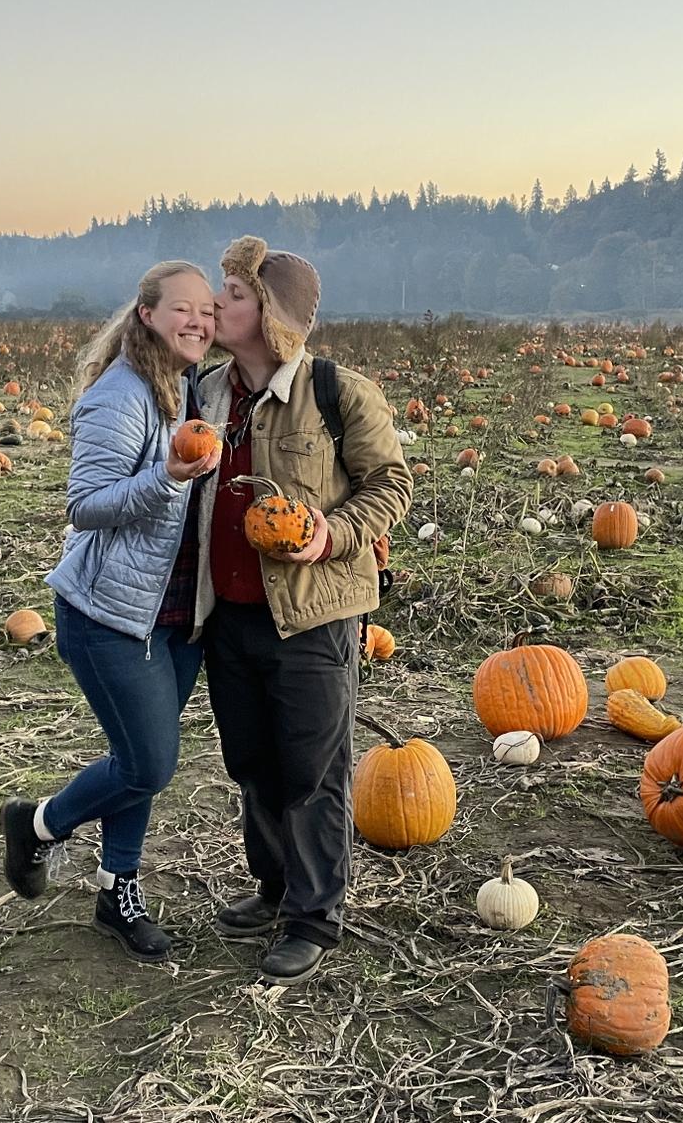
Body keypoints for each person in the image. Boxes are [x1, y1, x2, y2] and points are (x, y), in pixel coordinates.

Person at [193, 236, 413, 985]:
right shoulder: (208, 394)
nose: (218, 302)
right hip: (229, 614)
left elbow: (391, 485)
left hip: (313, 614)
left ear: (273, 315)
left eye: (234, 292)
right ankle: (275, 887)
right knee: (251, 760)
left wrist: (334, 533)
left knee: (311, 768)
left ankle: (316, 915)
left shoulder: (335, 391)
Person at [0, 260, 220, 962]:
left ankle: (115, 891)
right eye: (183, 309)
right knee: (150, 763)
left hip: (178, 614)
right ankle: (36, 826)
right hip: (108, 616)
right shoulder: (120, 396)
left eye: (209, 312)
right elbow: (86, 505)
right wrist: (166, 477)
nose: (199, 322)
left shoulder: (191, 388)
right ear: (148, 314)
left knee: (137, 757)